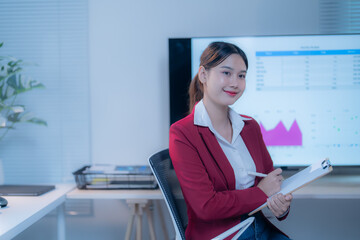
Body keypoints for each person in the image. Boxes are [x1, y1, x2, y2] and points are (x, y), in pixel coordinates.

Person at [169, 42, 293, 240]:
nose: (235, 82)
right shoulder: (183, 133)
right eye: (226, 73)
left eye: (241, 75)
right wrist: (261, 193)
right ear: (203, 75)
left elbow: (270, 181)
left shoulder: (250, 126)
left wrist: (280, 205)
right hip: (222, 236)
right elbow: (206, 206)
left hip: (258, 227)